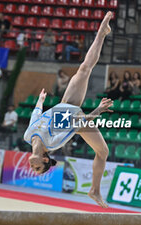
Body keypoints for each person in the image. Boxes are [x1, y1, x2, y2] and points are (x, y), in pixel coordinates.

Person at [23, 12, 113, 208]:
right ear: (46, 158)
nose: (32, 166)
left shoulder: (28, 136)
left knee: (85, 67)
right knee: (103, 152)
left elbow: (35, 116)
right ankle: (95, 190)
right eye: (38, 167)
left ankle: (102, 32)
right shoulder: (53, 142)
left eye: (33, 167)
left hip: (66, 107)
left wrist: (40, 101)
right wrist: (98, 110)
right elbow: (79, 123)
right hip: (74, 118)